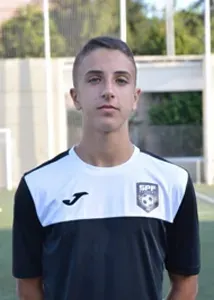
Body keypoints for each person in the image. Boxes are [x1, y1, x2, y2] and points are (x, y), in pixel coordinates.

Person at [12, 36, 200, 300]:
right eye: (94, 79)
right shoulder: (37, 186)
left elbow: (186, 284)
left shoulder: (173, 182)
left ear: (135, 97)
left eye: (121, 80)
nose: (108, 90)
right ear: (75, 97)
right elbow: (29, 288)